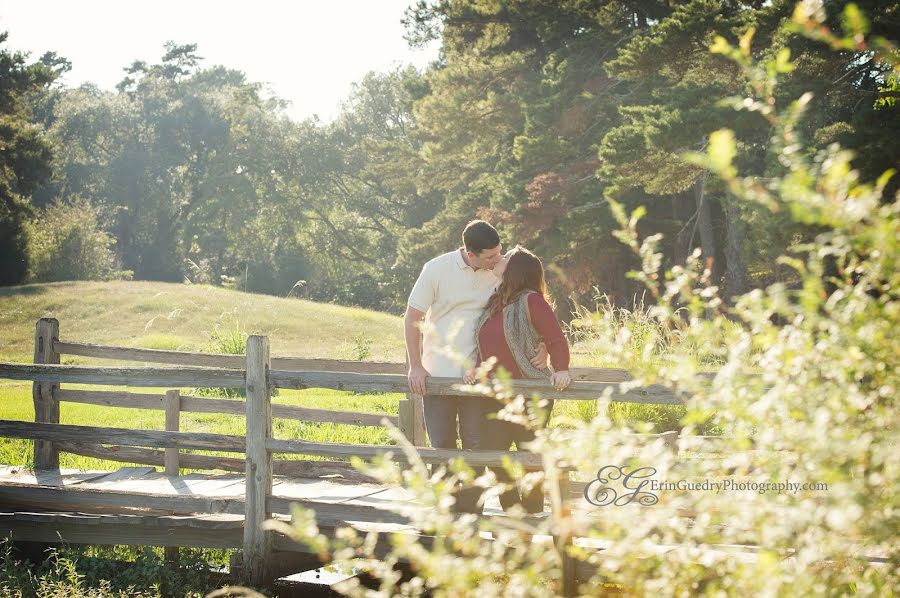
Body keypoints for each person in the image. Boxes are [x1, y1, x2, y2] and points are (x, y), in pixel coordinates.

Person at [405, 221, 546, 512]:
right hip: (438, 375)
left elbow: (532, 303)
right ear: (471, 254)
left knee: (477, 448)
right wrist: (415, 365)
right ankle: (446, 515)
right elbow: (412, 318)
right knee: (442, 446)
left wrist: (543, 344)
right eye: (490, 256)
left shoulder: (499, 274)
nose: (498, 260)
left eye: (500, 253)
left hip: (479, 379)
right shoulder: (436, 269)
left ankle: (472, 516)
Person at [466, 245, 571, 514]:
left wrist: (560, 368)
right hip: (496, 394)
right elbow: (485, 346)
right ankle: (514, 509)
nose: (500, 258)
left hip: (530, 394)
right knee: (493, 454)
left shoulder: (531, 300)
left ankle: (533, 513)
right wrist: (477, 370)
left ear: (517, 269)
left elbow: (555, 337)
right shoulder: (495, 301)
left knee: (530, 459)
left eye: (507, 257)